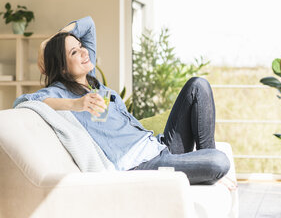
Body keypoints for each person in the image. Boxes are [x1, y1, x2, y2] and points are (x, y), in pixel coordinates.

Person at [14, 16, 235, 189]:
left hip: (160, 147)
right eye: (74, 51)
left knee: (198, 85)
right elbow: (23, 101)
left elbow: (88, 24)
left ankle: (211, 172)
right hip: (142, 165)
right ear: (62, 67)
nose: (84, 52)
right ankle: (212, 170)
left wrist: (51, 42)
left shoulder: (93, 83)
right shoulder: (62, 92)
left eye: (81, 46)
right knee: (219, 162)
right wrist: (75, 105)